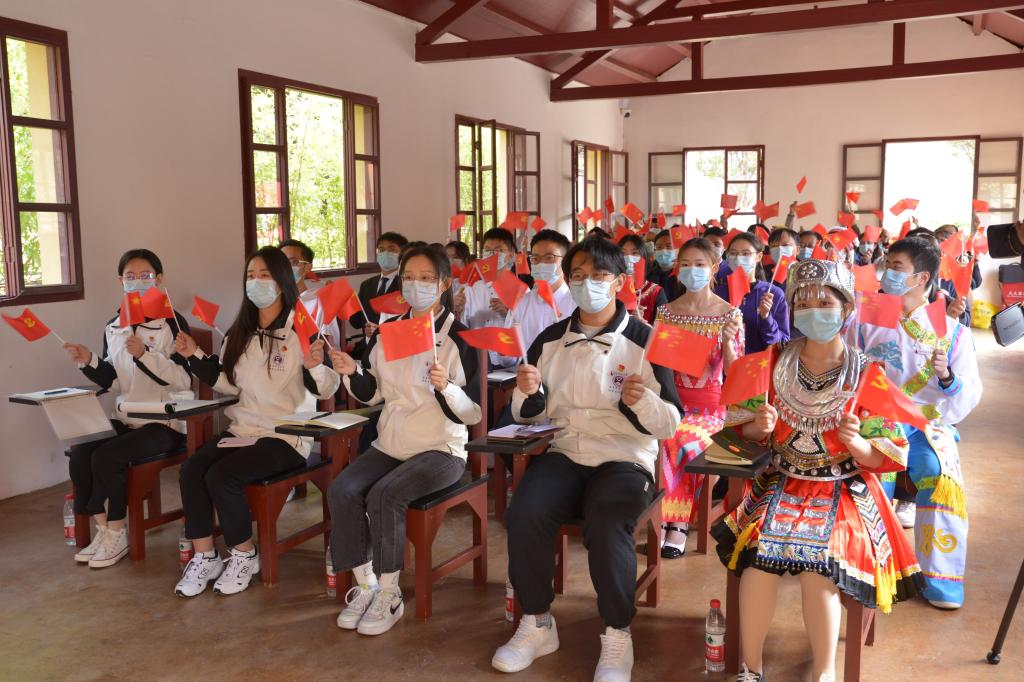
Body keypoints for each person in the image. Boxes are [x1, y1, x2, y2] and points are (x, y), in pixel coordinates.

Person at [714, 258, 924, 682]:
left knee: (819, 568)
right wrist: (758, 428)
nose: (814, 311)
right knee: (757, 564)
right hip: (781, 480)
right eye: (804, 303)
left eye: (824, 302)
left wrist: (857, 444)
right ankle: (750, 668)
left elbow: (889, 455)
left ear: (846, 309)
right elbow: (734, 434)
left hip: (844, 488)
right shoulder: (769, 363)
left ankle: (824, 673)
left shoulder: (867, 373)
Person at [491, 237, 682, 681]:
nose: (587, 284)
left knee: (608, 519)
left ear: (619, 281)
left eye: (598, 275)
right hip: (565, 451)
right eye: (577, 276)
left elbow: (670, 423)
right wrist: (527, 393)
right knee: (525, 511)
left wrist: (644, 401)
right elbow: (530, 415)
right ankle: (537, 622)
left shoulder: (648, 340)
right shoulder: (550, 339)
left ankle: (617, 633)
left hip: (624, 456)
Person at [325, 244, 481, 635]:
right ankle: (365, 585)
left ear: (444, 284)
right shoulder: (389, 331)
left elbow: (473, 413)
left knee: (386, 494)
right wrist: (351, 371)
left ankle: (389, 592)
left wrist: (447, 388)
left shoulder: (461, 337)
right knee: (343, 489)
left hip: (441, 448)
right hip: (392, 443)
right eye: (409, 277)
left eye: (426, 278)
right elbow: (372, 393)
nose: (416, 285)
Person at [172, 246, 340, 597]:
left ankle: (244, 554)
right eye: (250, 275)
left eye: (264, 275)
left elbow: (327, 388)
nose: (256, 282)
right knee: (191, 470)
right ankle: (205, 556)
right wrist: (194, 356)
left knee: (223, 476)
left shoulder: (301, 328)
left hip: (286, 435)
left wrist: (314, 366)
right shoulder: (239, 332)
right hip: (243, 430)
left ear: (282, 280)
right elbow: (230, 384)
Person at [860, 236, 982, 610]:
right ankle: (868, 571)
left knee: (940, 478)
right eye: (886, 265)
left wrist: (947, 377)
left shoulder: (953, 331)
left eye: (896, 267)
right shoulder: (867, 314)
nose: (886, 273)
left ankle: (940, 580)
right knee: (871, 477)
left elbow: (969, 391)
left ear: (922, 278)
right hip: (877, 418)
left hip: (928, 422)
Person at [62, 249, 192, 568]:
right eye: (130, 277)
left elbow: (182, 379)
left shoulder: (173, 323)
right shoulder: (114, 325)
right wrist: (89, 361)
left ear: (159, 279)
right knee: (81, 453)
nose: (137, 282)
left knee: (108, 456)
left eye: (145, 276)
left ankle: (118, 531)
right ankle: (103, 528)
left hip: (164, 422)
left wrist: (146, 354)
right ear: (120, 281)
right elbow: (113, 381)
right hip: (127, 416)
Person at [654, 238, 743, 559]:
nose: (692, 270)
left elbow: (735, 374)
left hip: (710, 410)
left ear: (714, 268)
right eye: (686, 264)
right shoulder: (666, 312)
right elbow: (657, 364)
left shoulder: (729, 314)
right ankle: (662, 517)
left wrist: (729, 344)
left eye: (700, 264)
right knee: (663, 434)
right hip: (671, 401)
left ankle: (674, 522)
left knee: (682, 441)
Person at [501, 229, 576, 365]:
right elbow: (508, 358)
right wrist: (505, 352)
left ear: (565, 262)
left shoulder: (577, 304)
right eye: (535, 258)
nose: (541, 264)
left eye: (549, 258)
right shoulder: (521, 303)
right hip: (526, 374)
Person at [714, 232, 790, 353]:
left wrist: (766, 318)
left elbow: (783, 343)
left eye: (745, 253)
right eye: (733, 253)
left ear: (759, 257)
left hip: (759, 362)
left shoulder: (773, 294)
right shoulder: (718, 293)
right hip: (724, 362)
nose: (738, 258)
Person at [455, 227, 522, 333]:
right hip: (476, 343)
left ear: (511, 254)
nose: (492, 254)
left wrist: (507, 314)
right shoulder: (471, 289)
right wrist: (457, 311)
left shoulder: (521, 291)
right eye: (487, 250)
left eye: (498, 250)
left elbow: (528, 328)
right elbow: (461, 328)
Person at [280, 239, 341, 348]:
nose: (286, 267)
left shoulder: (318, 301)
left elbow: (328, 347)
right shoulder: (273, 302)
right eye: (282, 262)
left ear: (307, 267)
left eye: (293, 262)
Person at [351, 232, 409, 339]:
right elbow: (356, 322)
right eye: (381, 250)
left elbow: (410, 321)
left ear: (403, 254)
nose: (385, 253)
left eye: (392, 249)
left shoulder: (407, 284)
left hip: (396, 343)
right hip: (368, 345)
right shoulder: (366, 285)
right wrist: (345, 300)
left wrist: (381, 330)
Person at [619, 233, 667, 324]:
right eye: (623, 253)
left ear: (644, 258)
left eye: (634, 253)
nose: (628, 258)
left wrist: (643, 324)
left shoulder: (656, 292)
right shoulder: (610, 289)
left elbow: (663, 329)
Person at [651, 229, 683, 301]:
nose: (663, 250)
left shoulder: (683, 274)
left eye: (668, 246)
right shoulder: (648, 272)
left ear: (677, 249)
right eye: (659, 247)